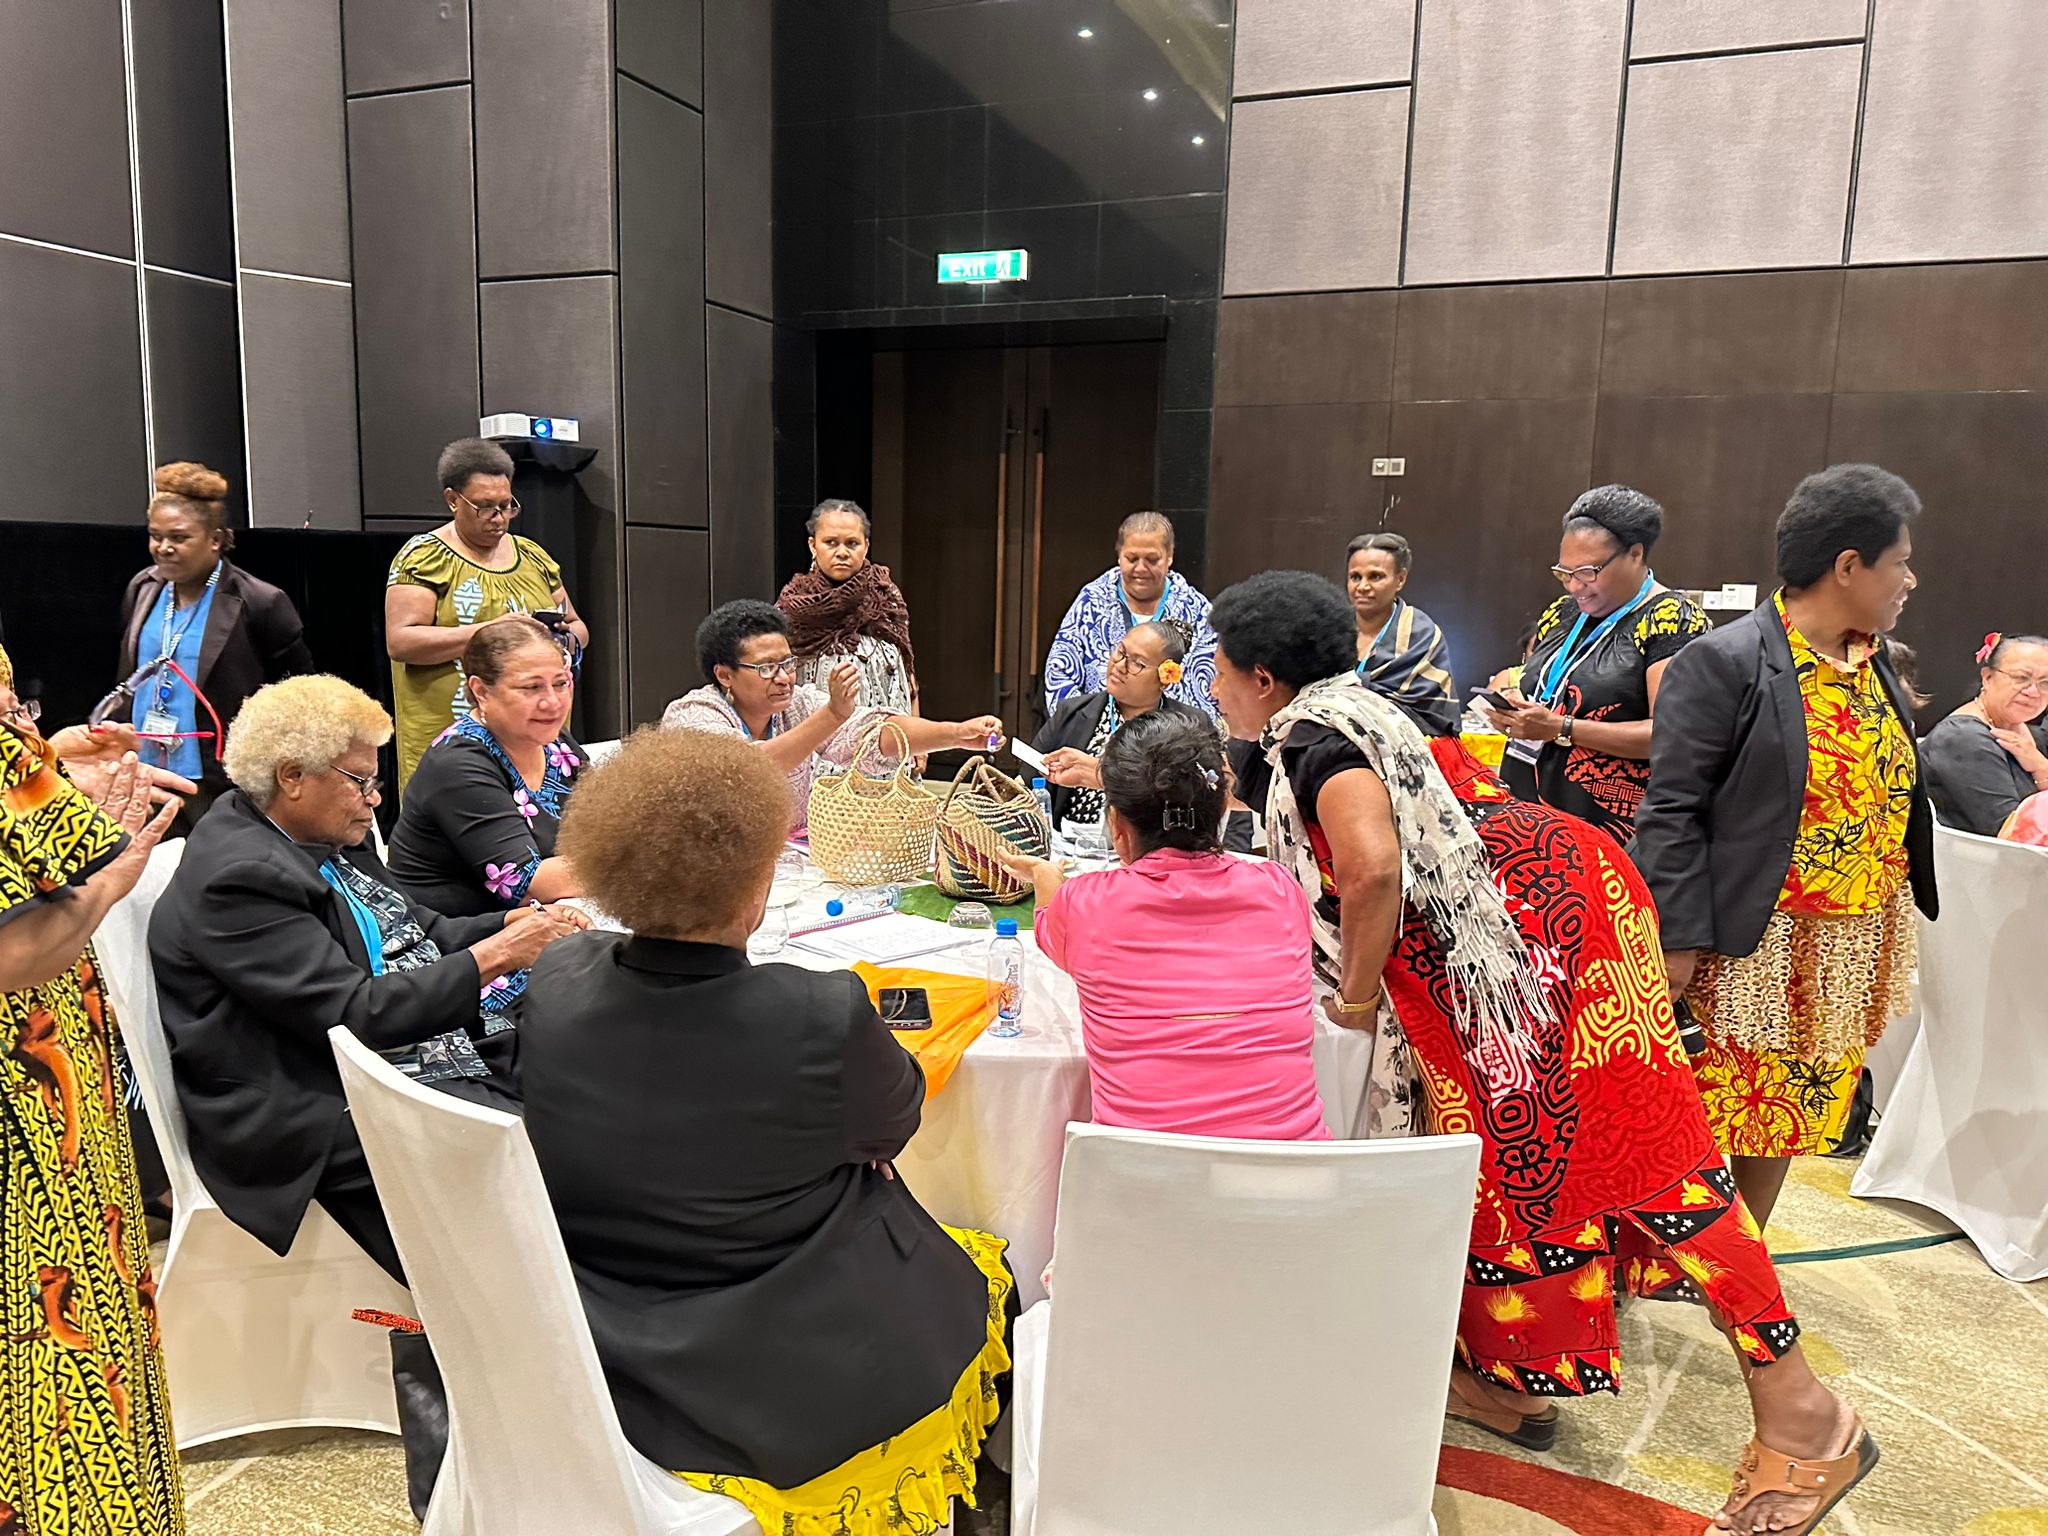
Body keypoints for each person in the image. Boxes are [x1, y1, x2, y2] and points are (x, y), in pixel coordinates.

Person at [1210, 571, 1879, 1536]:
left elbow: (1372, 866)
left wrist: (1353, 1007)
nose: (1216, 686)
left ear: (1262, 677)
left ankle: (1806, 1413)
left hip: (1541, 946)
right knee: (1512, 1170)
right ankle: (1500, 1381)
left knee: (1651, 1168)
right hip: (1525, 934)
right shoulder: (1349, 710)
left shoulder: (1318, 740)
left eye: (1220, 670)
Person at [519, 729, 1013, 1534]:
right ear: (753, 893)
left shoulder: (558, 978)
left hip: (594, 1326)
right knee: (979, 1271)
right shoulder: (818, 1011)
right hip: (777, 1350)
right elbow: (894, 1124)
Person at [1634, 465, 1936, 1239]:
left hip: (1843, 945)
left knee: (1787, 1113)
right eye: (1898, 561)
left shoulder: (1875, 664)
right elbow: (1672, 808)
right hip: (1750, 943)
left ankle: (1744, 1261)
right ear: (1847, 566)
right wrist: (1676, 939)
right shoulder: (1728, 660)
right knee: (1713, 1109)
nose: (1910, 577)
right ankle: (1666, 1259)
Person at [1, 646, 188, 1536]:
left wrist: (50, 767)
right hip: (27, 1111)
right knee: (54, 1353)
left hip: (54, 1095)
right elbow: (13, 954)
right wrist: (109, 883)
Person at [1000, 709, 1327, 1140]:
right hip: (1297, 1185)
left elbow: (1047, 927)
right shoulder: (1279, 890)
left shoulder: (1087, 904)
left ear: (1117, 826)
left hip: (1145, 1193)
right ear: (1221, 809)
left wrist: (1046, 880)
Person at [663, 601, 1002, 837]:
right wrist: (832, 715)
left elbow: (876, 734)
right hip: (711, 872)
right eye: (767, 668)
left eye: (788, 663)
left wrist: (955, 734)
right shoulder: (693, 716)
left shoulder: (798, 705)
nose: (783, 677)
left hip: (786, 861)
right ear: (724, 675)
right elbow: (750, 769)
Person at [1486, 486, 1711, 840]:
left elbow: (1671, 734)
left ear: (1635, 554)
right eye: (1565, 572)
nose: (1575, 586)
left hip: (1610, 826)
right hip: (1530, 805)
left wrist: (1560, 728)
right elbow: (1547, 687)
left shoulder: (1672, 619)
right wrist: (1514, 707)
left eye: (1589, 572)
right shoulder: (1562, 613)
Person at [387, 616, 585, 1017]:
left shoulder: (552, 742)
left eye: (560, 684)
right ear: (481, 691)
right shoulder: (460, 763)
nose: (552, 702)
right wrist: (642, 859)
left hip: (536, 929)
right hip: (464, 955)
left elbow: (610, 822)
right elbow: (529, 883)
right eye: (532, 688)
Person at [385, 438, 589, 789]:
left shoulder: (532, 556)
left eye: (507, 506)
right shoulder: (424, 557)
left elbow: (576, 625)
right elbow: (402, 640)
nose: (499, 519)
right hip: (455, 738)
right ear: (452, 499)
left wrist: (560, 639)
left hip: (533, 732)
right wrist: (491, 631)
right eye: (484, 507)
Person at [116, 461, 313, 824]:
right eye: (155, 535)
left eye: (178, 537)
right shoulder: (143, 588)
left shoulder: (260, 601)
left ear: (217, 540)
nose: (163, 548)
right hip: (145, 772)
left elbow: (298, 695)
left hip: (218, 783)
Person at [1031, 619, 1208, 826]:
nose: (1120, 666)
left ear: (1165, 678)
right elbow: (1029, 780)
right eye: (1120, 652)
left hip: (1152, 849)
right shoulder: (1072, 712)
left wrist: (1103, 775)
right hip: (1069, 846)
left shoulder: (1188, 727)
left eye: (1137, 663)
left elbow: (1199, 797)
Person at [1043, 511, 1218, 718]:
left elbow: (1212, 687)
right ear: (1119, 555)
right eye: (1132, 558)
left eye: (1152, 560)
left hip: (1173, 739)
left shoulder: (1197, 611)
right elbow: (1059, 672)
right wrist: (1085, 727)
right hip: (1094, 735)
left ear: (1169, 556)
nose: (1141, 568)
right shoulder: (1092, 601)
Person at [776, 498, 918, 714]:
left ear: (866, 546)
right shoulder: (792, 605)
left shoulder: (885, 595)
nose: (842, 552)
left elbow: (906, 671)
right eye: (831, 542)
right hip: (811, 729)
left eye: (852, 543)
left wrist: (918, 744)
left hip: (885, 724)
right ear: (813, 546)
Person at [1920, 631, 2048, 835]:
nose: (2033, 691)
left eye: (2045, 683)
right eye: (2021, 678)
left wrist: (2041, 766)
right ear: (1987, 677)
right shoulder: (1963, 739)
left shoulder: (2031, 734)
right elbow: (2013, 834)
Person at [1347, 532, 1458, 736]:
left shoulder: (1421, 634)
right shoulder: (1329, 627)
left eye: (1375, 576)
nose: (1362, 587)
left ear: (1400, 579)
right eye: (1355, 577)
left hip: (1405, 751)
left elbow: (1430, 716)